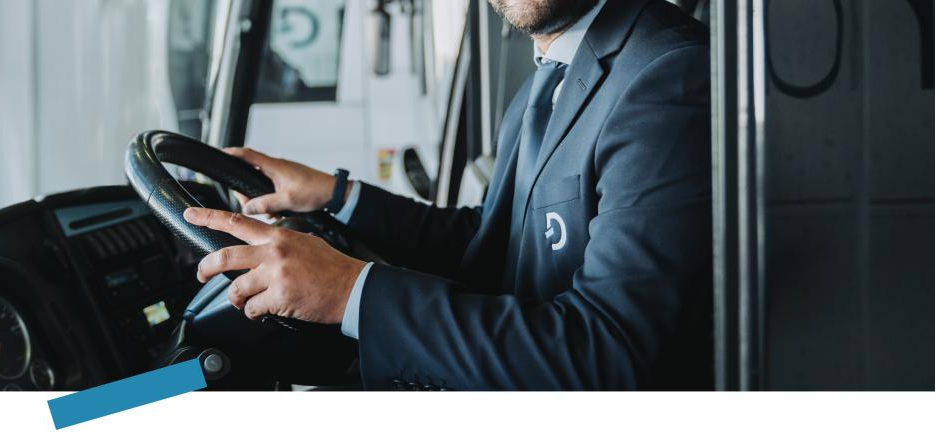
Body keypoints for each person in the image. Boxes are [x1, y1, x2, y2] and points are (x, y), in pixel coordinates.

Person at [182, 0, 712, 390]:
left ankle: (131, 397)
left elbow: (608, 357)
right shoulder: (550, 77)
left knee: (186, 384)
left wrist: (348, 291)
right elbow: (494, 242)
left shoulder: (666, 74)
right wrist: (338, 196)